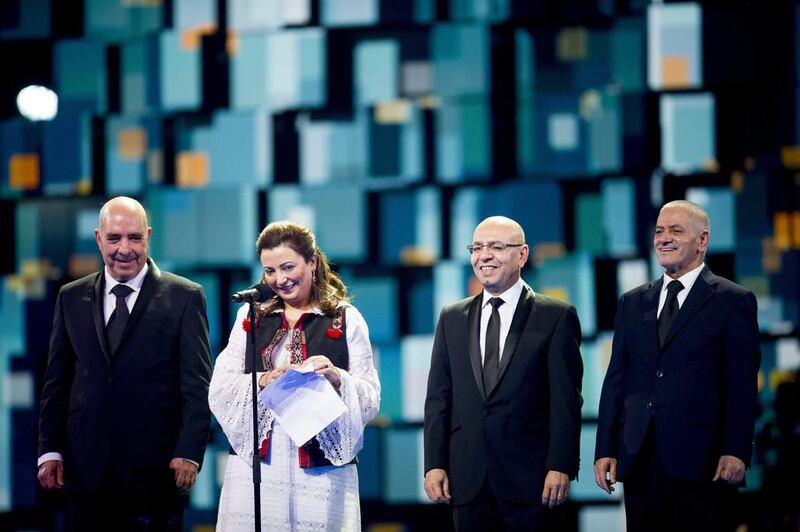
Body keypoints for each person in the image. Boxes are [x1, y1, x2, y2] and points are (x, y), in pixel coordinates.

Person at [37, 196, 213, 531]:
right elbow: (56, 381)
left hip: (157, 473)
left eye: (134, 237)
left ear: (148, 235)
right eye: (114, 238)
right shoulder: (70, 297)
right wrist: (49, 450)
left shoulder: (185, 296)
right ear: (98, 238)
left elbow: (197, 385)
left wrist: (189, 452)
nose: (124, 249)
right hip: (85, 469)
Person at [594, 200, 761, 532]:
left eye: (675, 230)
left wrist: (736, 450)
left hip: (703, 461)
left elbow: (740, 385)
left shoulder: (732, 300)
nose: (664, 238)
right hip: (640, 458)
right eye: (659, 231)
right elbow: (617, 379)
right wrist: (605, 449)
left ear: (702, 241)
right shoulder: (632, 301)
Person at [209, 220, 380, 531]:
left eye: (288, 267)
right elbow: (220, 387)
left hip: (320, 474)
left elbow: (370, 395)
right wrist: (262, 379)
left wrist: (337, 379)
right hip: (259, 470)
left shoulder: (345, 318)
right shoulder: (251, 316)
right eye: (270, 271)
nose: (280, 279)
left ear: (312, 262)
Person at [423, 216, 584, 531]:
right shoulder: (452, 318)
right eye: (477, 247)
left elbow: (565, 401)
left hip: (532, 482)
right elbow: (438, 399)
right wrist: (434, 464)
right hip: (468, 481)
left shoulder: (555, 317)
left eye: (496, 247)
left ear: (522, 255)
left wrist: (560, 466)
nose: (484, 255)